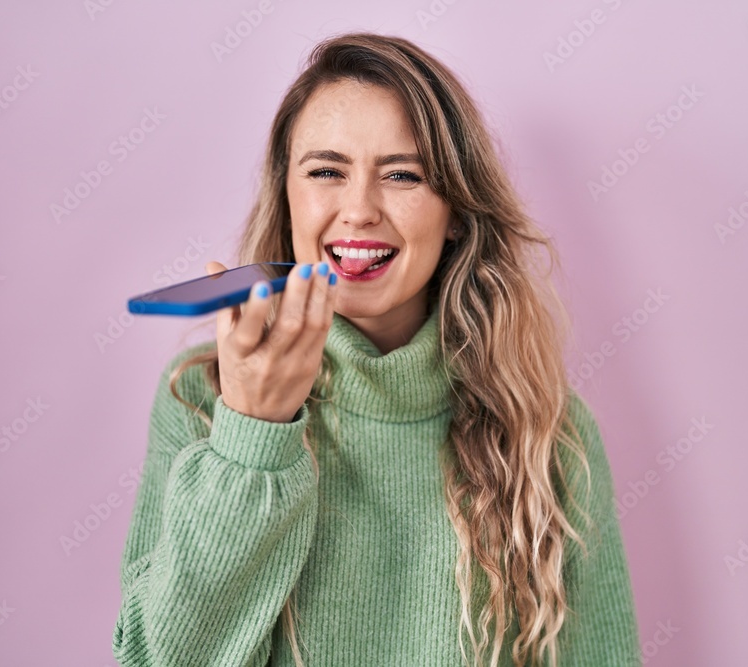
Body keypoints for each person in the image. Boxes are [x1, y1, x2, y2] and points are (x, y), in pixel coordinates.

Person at [112, 32, 641, 667]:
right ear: (288, 195)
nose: (358, 210)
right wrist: (251, 436)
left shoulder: (549, 433)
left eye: (402, 175)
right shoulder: (198, 397)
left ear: (457, 216)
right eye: (326, 171)